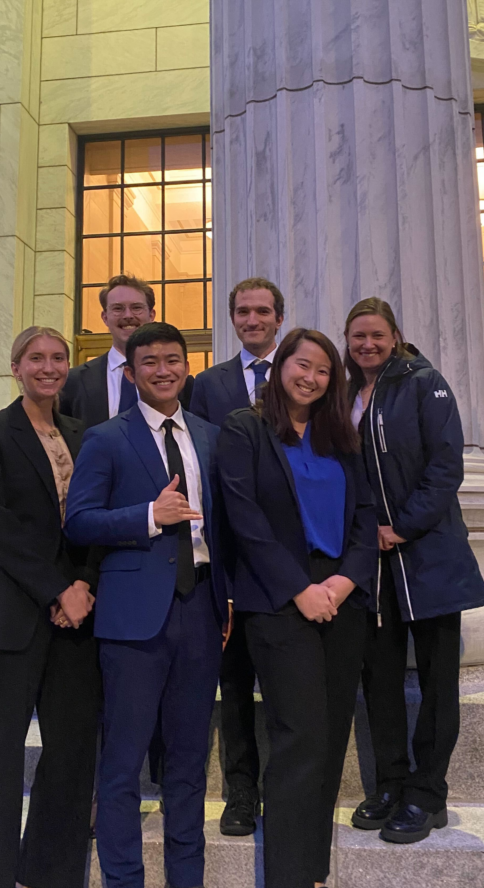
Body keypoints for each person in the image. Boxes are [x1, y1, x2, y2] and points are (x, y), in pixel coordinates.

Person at [65, 322, 230, 888]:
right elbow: (79, 520)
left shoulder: (209, 435)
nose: (164, 370)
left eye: (173, 360)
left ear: (188, 367)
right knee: (122, 765)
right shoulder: (107, 438)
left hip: (202, 610)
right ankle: (124, 880)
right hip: (134, 618)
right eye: (150, 362)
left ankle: (188, 878)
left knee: (187, 764)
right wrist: (147, 517)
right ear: (130, 373)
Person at [217, 328, 378, 888]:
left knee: (330, 736)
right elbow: (244, 519)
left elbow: (364, 517)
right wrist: (298, 589)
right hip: (279, 598)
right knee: (299, 733)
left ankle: (310, 870)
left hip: (340, 594)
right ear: (280, 366)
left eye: (323, 370)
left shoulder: (341, 437)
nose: (310, 377)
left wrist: (342, 581)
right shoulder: (247, 429)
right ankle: (287, 875)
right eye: (301, 365)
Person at [345, 297, 484, 845]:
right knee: (379, 681)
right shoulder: (344, 391)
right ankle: (390, 785)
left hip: (426, 555)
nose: (367, 345)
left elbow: (445, 464)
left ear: (395, 335)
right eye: (358, 336)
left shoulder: (424, 382)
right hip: (372, 565)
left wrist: (401, 527)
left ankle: (428, 796)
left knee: (436, 684)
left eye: (377, 335)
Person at [0, 326, 100, 888]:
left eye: (58, 357)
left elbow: (93, 519)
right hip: (13, 613)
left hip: (76, 620)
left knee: (70, 753)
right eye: (36, 358)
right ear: (15, 367)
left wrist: (84, 586)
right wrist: (55, 588)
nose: (49, 366)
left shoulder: (83, 435)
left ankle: (50, 873)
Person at [189, 276, 285, 836]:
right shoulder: (210, 384)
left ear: (278, 317)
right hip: (227, 559)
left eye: (262, 312)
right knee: (234, 683)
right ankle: (240, 792)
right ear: (234, 319)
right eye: (243, 312)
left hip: (287, 560)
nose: (252, 320)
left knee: (281, 684)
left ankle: (283, 786)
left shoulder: (300, 372)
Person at [59, 273, 193, 427]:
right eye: (118, 308)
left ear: (151, 315)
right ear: (105, 317)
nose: (128, 315)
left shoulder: (182, 383)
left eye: (136, 308)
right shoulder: (74, 381)